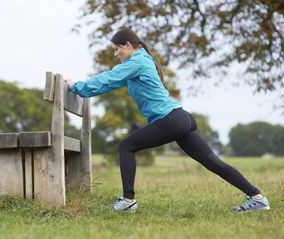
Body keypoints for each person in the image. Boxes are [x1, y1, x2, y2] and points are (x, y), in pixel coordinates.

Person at [64, 27, 270, 213]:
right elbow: (110, 84)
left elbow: (108, 77)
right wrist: (83, 90)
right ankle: (258, 198)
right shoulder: (143, 61)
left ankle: (127, 201)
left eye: (117, 48)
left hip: (171, 119)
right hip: (181, 118)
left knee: (126, 147)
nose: (115, 53)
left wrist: (76, 87)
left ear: (128, 45)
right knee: (212, 162)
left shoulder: (136, 61)